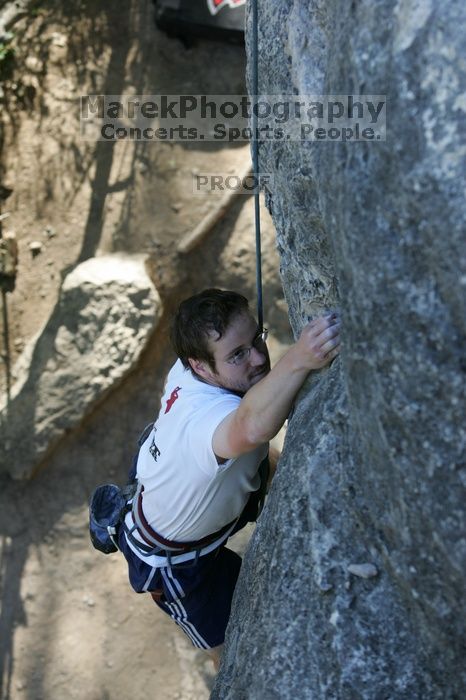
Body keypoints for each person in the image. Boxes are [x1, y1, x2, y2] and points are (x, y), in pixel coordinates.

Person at [118, 288, 340, 670]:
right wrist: (301, 357)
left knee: (252, 460)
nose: (257, 357)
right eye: (237, 355)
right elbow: (251, 425)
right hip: (173, 561)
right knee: (235, 652)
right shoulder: (206, 421)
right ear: (200, 367)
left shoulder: (187, 372)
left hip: (178, 492)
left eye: (256, 338)